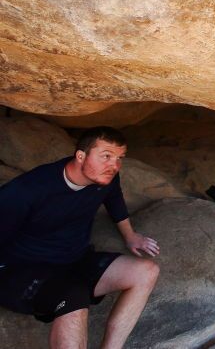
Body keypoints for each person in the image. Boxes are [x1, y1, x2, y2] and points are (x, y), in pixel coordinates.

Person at [0, 127, 161, 349]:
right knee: (74, 296)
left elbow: (114, 200)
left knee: (146, 271)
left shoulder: (105, 178)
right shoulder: (27, 190)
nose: (114, 165)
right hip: (22, 270)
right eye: (106, 156)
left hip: (73, 260)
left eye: (119, 158)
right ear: (80, 156)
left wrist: (131, 236)